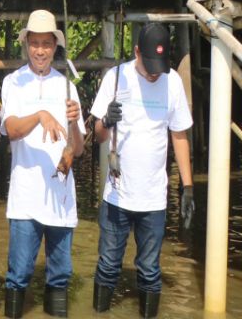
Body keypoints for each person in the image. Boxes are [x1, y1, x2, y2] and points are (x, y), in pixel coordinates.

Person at [89, 23, 193, 318]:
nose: (153, 73)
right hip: (117, 195)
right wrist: (106, 121)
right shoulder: (116, 76)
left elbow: (179, 136)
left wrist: (188, 187)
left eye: (160, 67)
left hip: (153, 199)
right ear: (137, 52)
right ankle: (99, 313)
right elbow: (97, 135)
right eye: (149, 65)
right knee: (108, 265)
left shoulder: (172, 82)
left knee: (149, 269)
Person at [1, 10, 85, 318]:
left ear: (55, 47)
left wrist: (74, 124)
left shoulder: (67, 87)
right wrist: (40, 116)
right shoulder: (13, 82)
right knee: (18, 276)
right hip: (25, 201)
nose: (40, 50)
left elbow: (77, 149)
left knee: (60, 277)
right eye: (34, 43)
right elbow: (10, 130)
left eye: (46, 44)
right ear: (26, 45)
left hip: (61, 202)